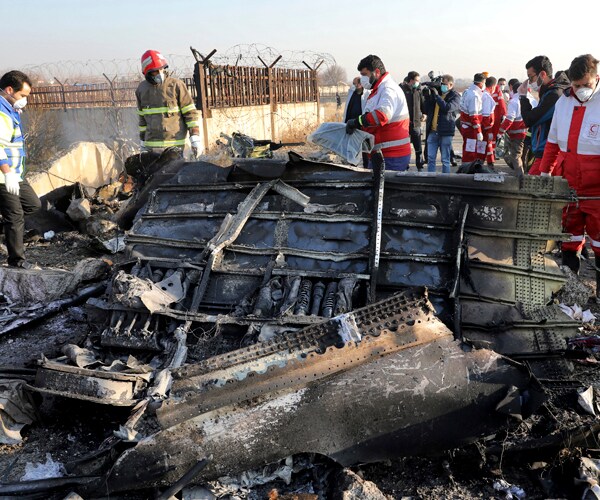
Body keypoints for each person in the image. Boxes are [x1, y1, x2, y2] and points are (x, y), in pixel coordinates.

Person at [538, 54, 600, 296]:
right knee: (570, 241)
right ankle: (570, 291)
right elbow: (552, 144)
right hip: (570, 188)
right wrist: (545, 174)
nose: (580, 90)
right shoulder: (563, 103)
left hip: (597, 193)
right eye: (576, 85)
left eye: (585, 85)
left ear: (596, 78)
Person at [0, 71, 41, 269]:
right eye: (22, 96)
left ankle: (8, 228)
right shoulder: (1, 112)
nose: (25, 100)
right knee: (15, 217)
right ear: (9, 90)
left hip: (15, 174)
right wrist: (7, 173)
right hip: (3, 175)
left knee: (33, 205)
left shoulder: (10, 110)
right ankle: (17, 262)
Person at [346, 55, 411, 171]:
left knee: (385, 189)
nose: (362, 79)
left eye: (365, 75)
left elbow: (382, 115)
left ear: (376, 72)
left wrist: (357, 122)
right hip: (380, 155)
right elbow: (370, 119)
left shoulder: (388, 89)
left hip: (392, 156)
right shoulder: (376, 91)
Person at [136, 50, 202, 158]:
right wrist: (143, 143)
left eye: (161, 69)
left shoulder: (176, 86)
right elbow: (142, 119)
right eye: (155, 71)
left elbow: (190, 114)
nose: (160, 73)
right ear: (147, 72)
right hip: (152, 149)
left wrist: (195, 138)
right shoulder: (141, 90)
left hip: (175, 147)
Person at [517, 55, 570, 175]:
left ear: (542, 74)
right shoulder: (548, 92)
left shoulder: (554, 95)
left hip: (549, 153)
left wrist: (522, 97)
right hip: (544, 152)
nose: (530, 82)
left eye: (531, 77)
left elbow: (531, 119)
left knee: (532, 189)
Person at [424, 75, 460, 173]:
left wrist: (437, 96)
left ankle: (445, 179)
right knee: (430, 159)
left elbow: (448, 108)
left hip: (445, 132)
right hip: (433, 131)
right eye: (441, 84)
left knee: (445, 159)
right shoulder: (438, 94)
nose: (442, 86)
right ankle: (431, 179)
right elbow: (426, 110)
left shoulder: (455, 96)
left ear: (451, 84)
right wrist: (427, 97)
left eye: (444, 84)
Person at [497, 80, 528, 175]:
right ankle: (521, 173)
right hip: (525, 132)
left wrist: (500, 132)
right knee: (521, 155)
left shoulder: (514, 101)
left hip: (517, 133)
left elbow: (509, 119)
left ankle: (520, 177)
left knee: (515, 156)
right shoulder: (526, 99)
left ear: (513, 90)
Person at [400, 71, 425, 170]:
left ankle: (420, 166)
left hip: (416, 124)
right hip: (404, 124)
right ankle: (405, 165)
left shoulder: (418, 91)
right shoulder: (401, 90)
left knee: (418, 147)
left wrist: (424, 113)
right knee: (404, 147)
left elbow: (422, 104)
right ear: (411, 80)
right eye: (417, 80)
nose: (418, 82)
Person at [344, 77, 370, 168]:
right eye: (353, 83)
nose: (354, 85)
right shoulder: (352, 93)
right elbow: (348, 108)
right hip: (351, 123)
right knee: (352, 146)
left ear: (360, 84)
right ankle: (353, 165)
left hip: (362, 123)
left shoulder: (366, 94)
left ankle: (366, 166)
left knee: (365, 147)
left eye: (355, 83)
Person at [490, 77, 508, 161]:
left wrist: (504, 115)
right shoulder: (497, 91)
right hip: (496, 118)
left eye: (504, 84)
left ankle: (492, 154)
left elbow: (503, 105)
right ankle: (492, 155)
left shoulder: (505, 94)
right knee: (494, 138)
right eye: (501, 84)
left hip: (496, 118)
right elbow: (502, 105)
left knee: (495, 138)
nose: (502, 86)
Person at [482, 78, 497, 165]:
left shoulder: (484, 94)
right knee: (487, 145)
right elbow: (486, 115)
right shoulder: (487, 97)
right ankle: (489, 164)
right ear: (493, 86)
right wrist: (489, 131)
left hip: (484, 127)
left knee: (485, 145)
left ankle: (487, 162)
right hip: (486, 127)